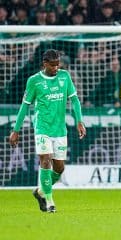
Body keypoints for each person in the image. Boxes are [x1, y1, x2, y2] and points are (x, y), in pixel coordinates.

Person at [9, 49, 86, 213]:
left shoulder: (65, 76)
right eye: (53, 65)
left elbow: (75, 100)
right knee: (45, 160)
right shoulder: (34, 81)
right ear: (44, 63)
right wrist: (16, 130)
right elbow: (25, 106)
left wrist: (79, 120)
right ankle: (50, 201)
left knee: (59, 168)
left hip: (60, 129)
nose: (56, 68)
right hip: (42, 127)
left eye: (58, 64)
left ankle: (40, 192)